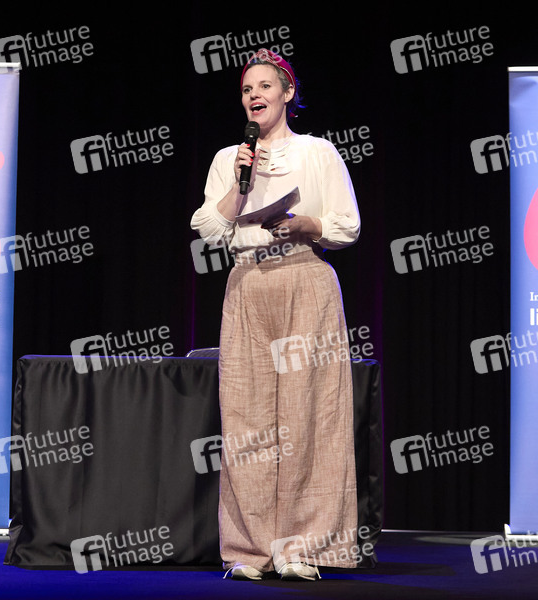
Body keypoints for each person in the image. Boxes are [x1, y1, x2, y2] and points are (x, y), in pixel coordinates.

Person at [190, 48, 361, 581]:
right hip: (247, 283)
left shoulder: (318, 151)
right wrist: (238, 188)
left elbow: (348, 225)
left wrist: (310, 225)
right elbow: (207, 229)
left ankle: (301, 546)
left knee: (311, 413)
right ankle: (249, 548)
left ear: (287, 93)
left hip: (304, 276)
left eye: (265, 86)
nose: (254, 96)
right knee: (247, 417)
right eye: (247, 89)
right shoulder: (229, 158)